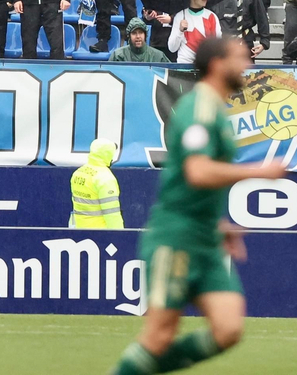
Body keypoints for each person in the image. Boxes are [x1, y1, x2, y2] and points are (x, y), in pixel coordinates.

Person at [108, 37, 286, 375]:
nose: (247, 64)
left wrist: (217, 225)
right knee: (159, 336)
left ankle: (143, 370)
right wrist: (260, 172)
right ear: (218, 64)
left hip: (204, 236)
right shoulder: (199, 107)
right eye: (239, 57)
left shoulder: (216, 109)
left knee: (228, 328)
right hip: (176, 237)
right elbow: (197, 171)